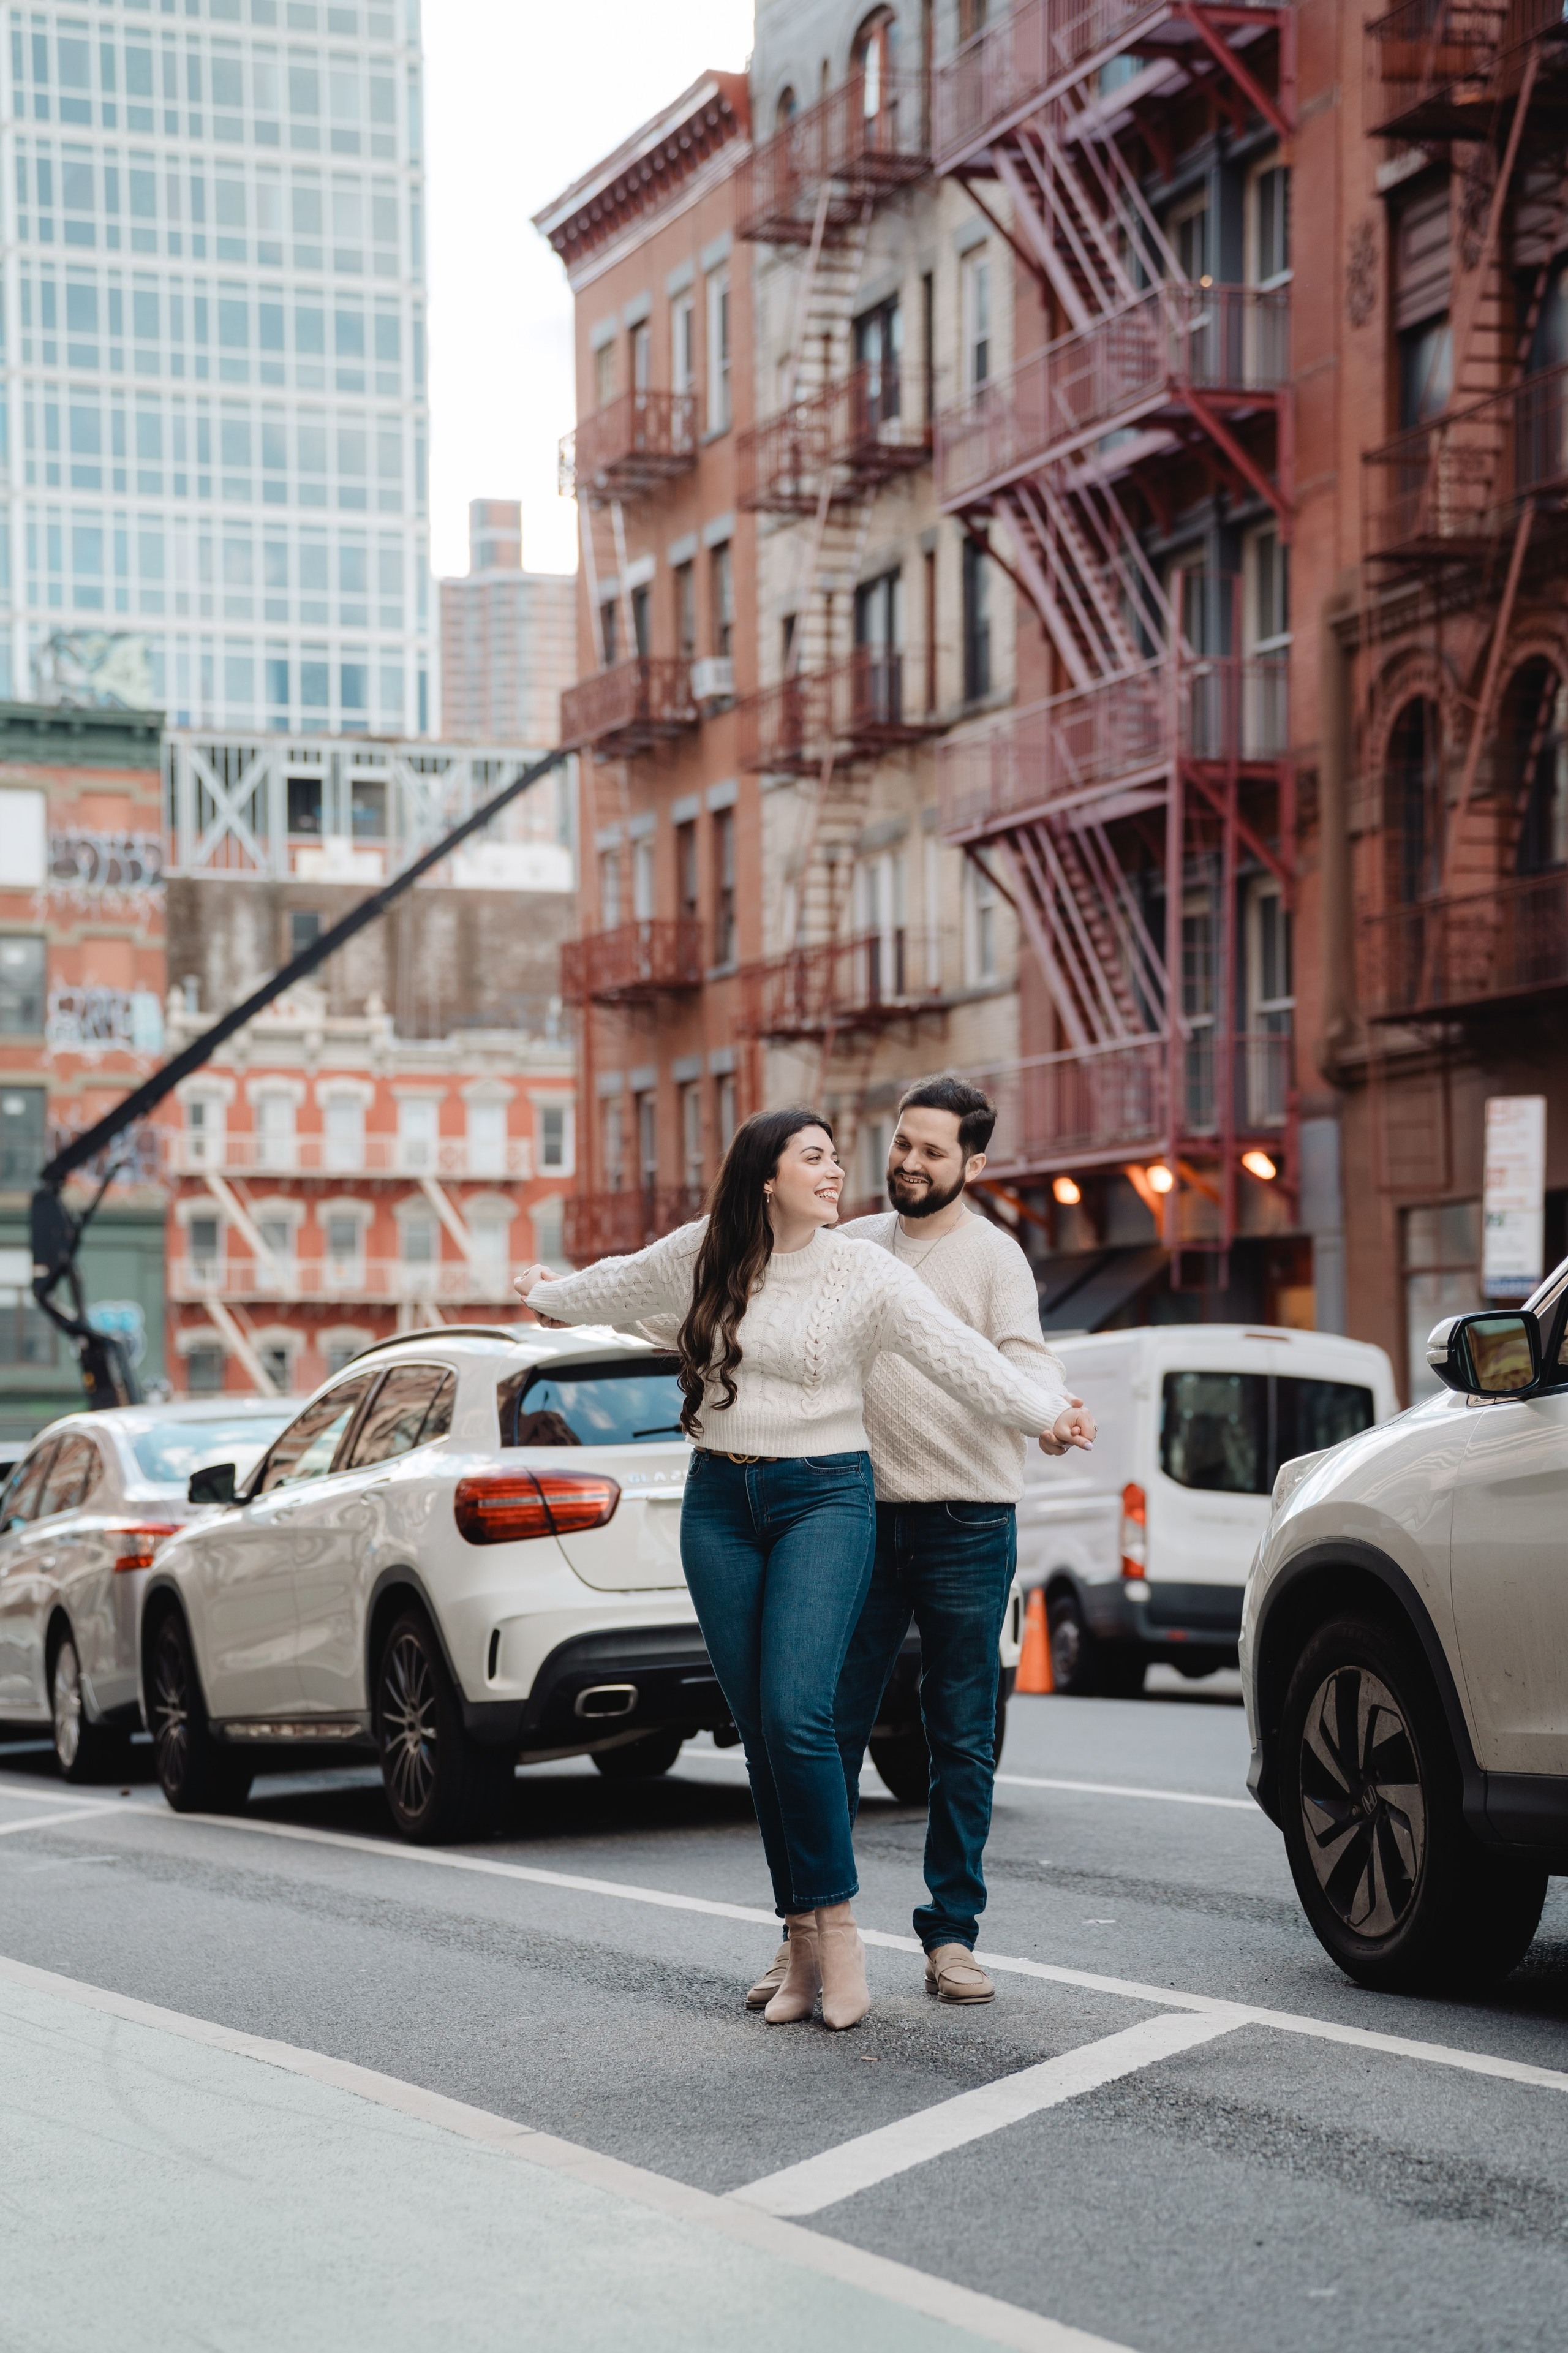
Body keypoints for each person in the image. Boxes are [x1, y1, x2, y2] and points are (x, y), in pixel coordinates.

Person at [513, 1106, 1093, 2033]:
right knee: (762, 1727)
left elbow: (960, 1354)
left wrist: (1045, 1410)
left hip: (832, 1498)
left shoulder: (867, 1267)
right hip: (720, 1503)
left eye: (839, 1157)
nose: (843, 1172)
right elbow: (621, 1284)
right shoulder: (713, 1249)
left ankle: (853, 1926)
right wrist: (548, 1292)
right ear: (767, 1176)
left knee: (803, 1713)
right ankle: (800, 1934)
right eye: (817, 1157)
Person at [805, 1076, 1088, 2009]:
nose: (910, 1163)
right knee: (828, 1727)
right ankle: (808, 1935)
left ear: (973, 1163)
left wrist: (1048, 1411)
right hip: (857, 1514)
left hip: (968, 1518)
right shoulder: (847, 1247)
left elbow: (1025, 1354)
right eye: (902, 1144)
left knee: (961, 1733)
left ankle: (952, 1935)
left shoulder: (994, 1257)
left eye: (933, 1151)